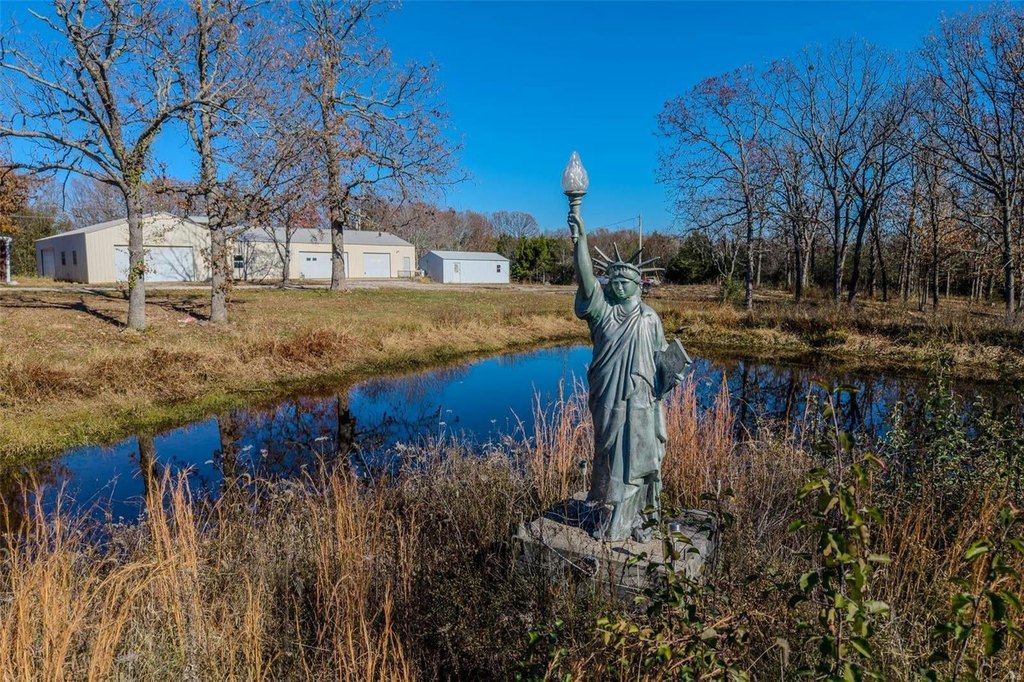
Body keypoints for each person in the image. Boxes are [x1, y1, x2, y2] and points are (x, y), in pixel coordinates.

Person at [568, 209, 684, 541]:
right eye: (614, 281)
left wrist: (672, 374)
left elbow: (660, 360)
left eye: (625, 281)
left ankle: (634, 517)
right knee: (608, 453)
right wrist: (580, 239)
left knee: (637, 456)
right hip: (607, 394)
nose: (618, 285)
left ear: (637, 285)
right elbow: (586, 280)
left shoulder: (649, 318)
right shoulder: (601, 312)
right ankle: (609, 511)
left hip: (641, 399)